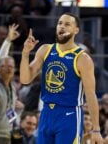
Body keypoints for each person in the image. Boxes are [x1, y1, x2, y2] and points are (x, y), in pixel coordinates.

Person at [20, 12, 103, 144]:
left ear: (76, 30)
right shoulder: (45, 50)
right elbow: (25, 79)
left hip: (69, 115)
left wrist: (96, 129)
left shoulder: (82, 58)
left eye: (67, 24)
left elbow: (91, 94)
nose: (62, 27)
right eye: (60, 23)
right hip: (46, 113)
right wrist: (25, 53)